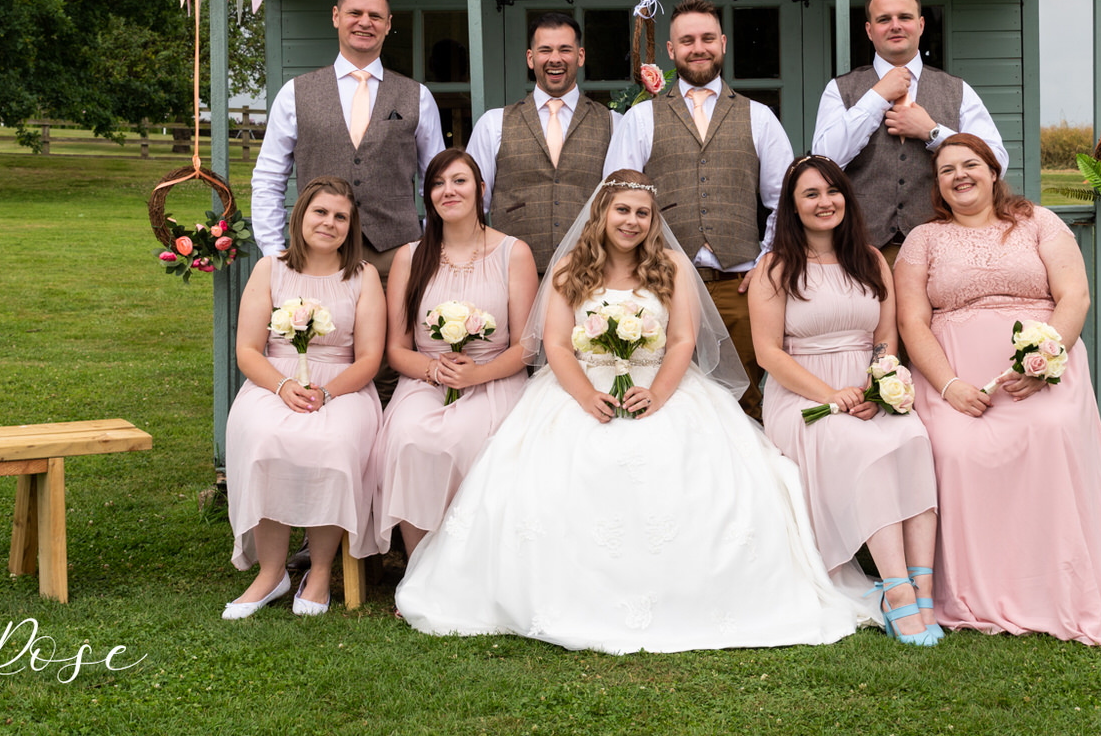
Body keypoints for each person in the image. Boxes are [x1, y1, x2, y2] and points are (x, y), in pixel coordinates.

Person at [395, 172, 869, 653]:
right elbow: (557, 344)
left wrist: (659, 394)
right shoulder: (568, 270)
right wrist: (584, 396)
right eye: (623, 209)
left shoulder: (670, 267)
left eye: (642, 212)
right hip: (582, 388)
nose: (632, 221)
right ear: (602, 212)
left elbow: (682, 339)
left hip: (658, 385)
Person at [895, 134, 1101, 649]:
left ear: (993, 170)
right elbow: (912, 320)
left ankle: (1058, 583)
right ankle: (977, 589)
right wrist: (949, 385)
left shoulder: (1038, 222)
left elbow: (1074, 295)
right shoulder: (923, 240)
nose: (959, 176)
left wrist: (1045, 361)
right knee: (952, 450)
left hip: (1039, 372)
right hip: (956, 380)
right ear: (938, 185)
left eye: (970, 164)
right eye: (946, 170)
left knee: (1050, 429)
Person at [748, 155, 942, 645]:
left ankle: (923, 588)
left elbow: (884, 340)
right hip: (804, 396)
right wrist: (832, 396)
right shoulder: (774, 268)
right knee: (863, 449)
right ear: (792, 207)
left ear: (845, 198)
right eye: (810, 194)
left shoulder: (872, 259)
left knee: (914, 437)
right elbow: (768, 353)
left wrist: (880, 390)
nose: (824, 202)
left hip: (867, 391)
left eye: (832, 191)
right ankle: (894, 592)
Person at [601, 0, 791, 418]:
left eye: (707, 38)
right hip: (659, 286)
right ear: (671, 51)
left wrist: (767, 258)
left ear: (722, 44)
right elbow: (615, 202)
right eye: (686, 40)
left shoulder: (758, 117)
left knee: (742, 403)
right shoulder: (641, 117)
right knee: (669, 403)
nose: (698, 47)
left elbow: (784, 202)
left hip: (737, 285)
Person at [221, 176, 387, 618]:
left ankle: (319, 572)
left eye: (340, 217)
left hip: (343, 385)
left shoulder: (364, 276)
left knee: (332, 445)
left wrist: (328, 391)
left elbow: (370, 357)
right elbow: (247, 350)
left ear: (351, 227)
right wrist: (282, 385)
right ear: (301, 215)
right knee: (264, 439)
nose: (329, 223)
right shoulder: (270, 268)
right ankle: (272, 572)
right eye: (320, 212)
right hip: (274, 380)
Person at [368, 149, 537, 556]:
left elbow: (527, 347)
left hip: (494, 379)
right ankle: (419, 564)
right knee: (408, 438)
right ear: (428, 196)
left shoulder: (513, 253)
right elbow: (396, 349)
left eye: (459, 181)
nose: (449, 191)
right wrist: (434, 370)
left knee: (466, 438)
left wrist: (477, 375)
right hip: (427, 381)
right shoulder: (410, 258)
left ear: (480, 189)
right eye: (438, 184)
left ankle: (469, 562)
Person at [251, 0, 446, 274]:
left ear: (388, 23)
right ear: (336, 16)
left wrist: (430, 243)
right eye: (355, 13)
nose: (364, 23)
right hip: (317, 253)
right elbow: (269, 177)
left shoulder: (417, 96)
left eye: (375, 16)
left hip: (397, 258)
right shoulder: (294, 93)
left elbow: (436, 180)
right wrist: (273, 250)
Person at [812, 0, 1009, 257]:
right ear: (869, 30)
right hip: (860, 252)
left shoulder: (957, 90)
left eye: (904, 17)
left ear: (920, 25)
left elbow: (996, 162)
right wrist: (877, 97)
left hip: (943, 248)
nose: (895, 25)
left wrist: (932, 133)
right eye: (884, 19)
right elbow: (824, 162)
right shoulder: (840, 89)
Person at [465, 10, 617, 273]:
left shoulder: (614, 123)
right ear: (530, 57)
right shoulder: (493, 124)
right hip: (511, 275)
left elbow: (623, 205)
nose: (555, 59)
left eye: (565, 50)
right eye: (545, 50)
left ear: (580, 56)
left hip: (591, 275)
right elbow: (472, 206)